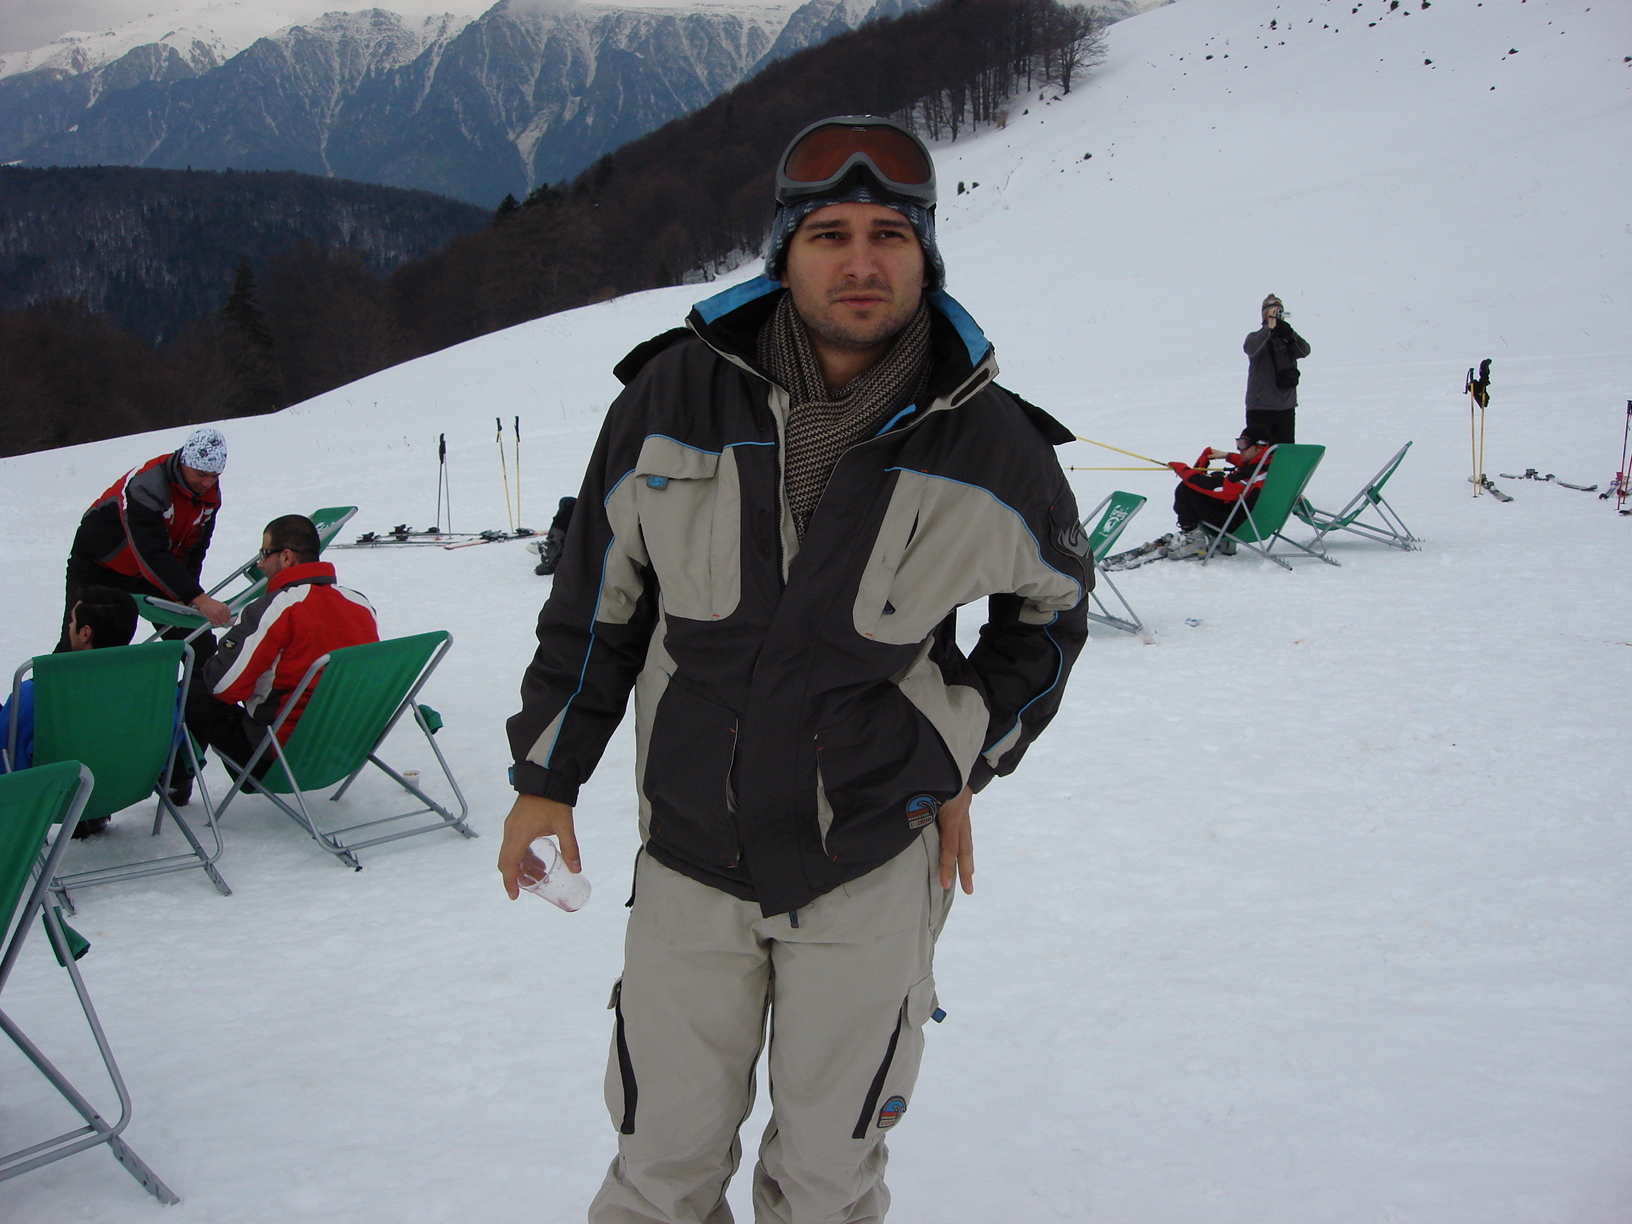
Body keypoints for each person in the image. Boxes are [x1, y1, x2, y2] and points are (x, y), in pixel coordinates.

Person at [499, 115, 1091, 1223]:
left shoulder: (991, 441)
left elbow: (1052, 614)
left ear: (926, 257)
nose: (861, 262)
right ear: (784, 254)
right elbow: (594, 610)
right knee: (659, 1174)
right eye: (829, 235)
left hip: (870, 862)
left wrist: (960, 749)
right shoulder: (672, 398)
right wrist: (546, 777)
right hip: (690, 862)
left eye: (889, 236)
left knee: (827, 1184)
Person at [182, 514, 378, 793]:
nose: (260, 564)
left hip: (280, 760)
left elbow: (223, 686)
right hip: (345, 749)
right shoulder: (359, 603)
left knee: (189, 690)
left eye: (264, 554)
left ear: (286, 557)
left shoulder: (276, 608)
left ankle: (175, 784)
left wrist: (234, 644)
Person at [59, 427, 232, 653]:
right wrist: (197, 597)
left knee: (198, 643)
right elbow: (150, 551)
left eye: (214, 476)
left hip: (152, 571)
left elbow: (194, 549)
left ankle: (202, 676)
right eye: (201, 474)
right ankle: (51, 677)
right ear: (183, 462)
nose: (207, 483)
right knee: (84, 640)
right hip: (100, 566)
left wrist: (187, 596)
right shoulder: (146, 484)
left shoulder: (208, 496)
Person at [2, 587, 139, 834]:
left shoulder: (39, 696)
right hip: (126, 788)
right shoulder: (153, 687)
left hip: (53, 798)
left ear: (85, 632)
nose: (69, 626)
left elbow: (8, 759)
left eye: (72, 620)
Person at [1243, 293, 1309, 443]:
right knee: (1259, 451)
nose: (1276, 316)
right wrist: (1268, 329)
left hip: (1285, 407)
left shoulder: (1287, 337)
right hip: (1260, 407)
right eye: (1272, 313)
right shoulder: (1256, 337)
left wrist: (1290, 335)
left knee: (1284, 452)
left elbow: (1305, 351)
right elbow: (1251, 349)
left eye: (1279, 312)